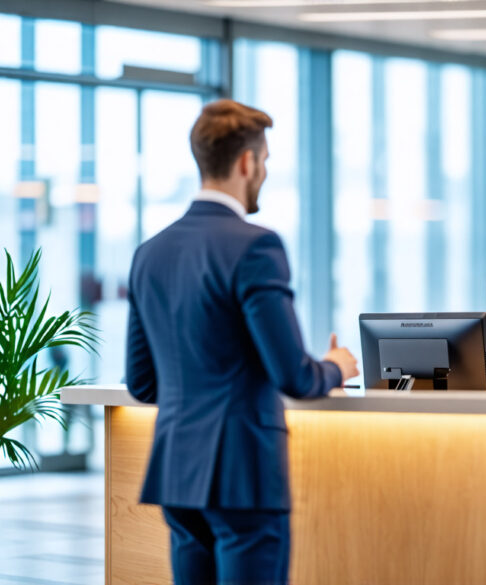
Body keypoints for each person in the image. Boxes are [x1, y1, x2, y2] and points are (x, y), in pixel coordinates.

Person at [125, 99, 359, 585]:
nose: (266, 172)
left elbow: (143, 384)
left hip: (177, 475)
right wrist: (337, 365)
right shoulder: (256, 245)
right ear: (247, 162)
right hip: (244, 477)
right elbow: (294, 375)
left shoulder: (150, 252)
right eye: (267, 161)